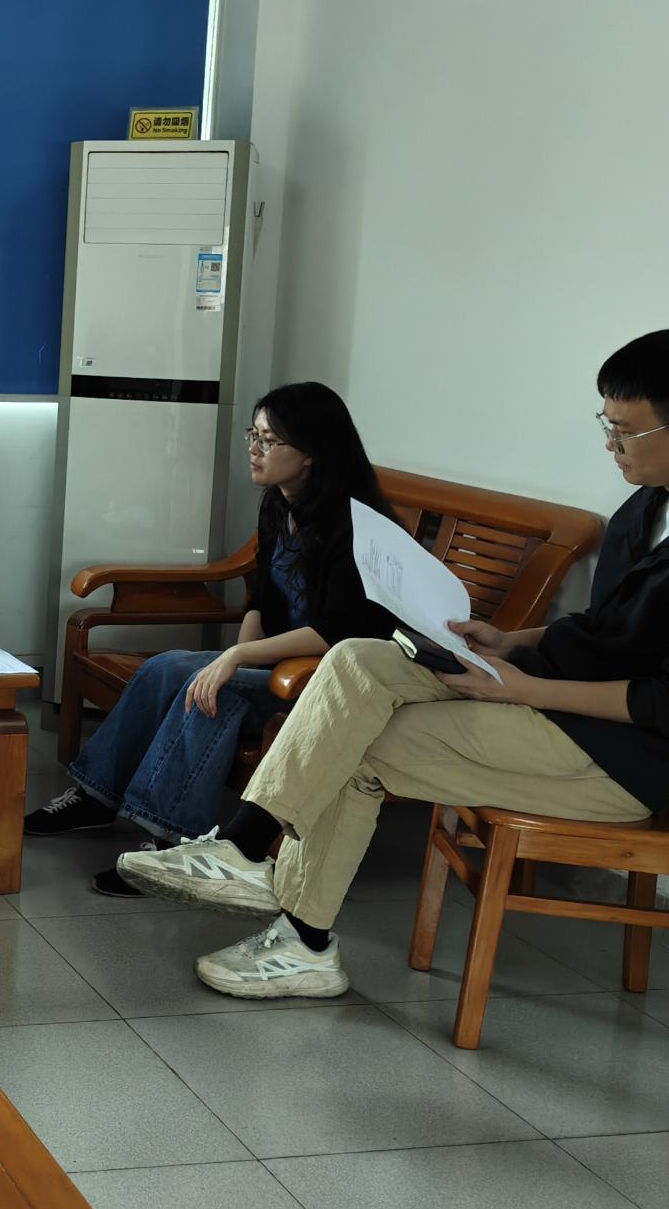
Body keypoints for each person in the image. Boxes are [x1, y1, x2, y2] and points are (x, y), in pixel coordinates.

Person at [121, 330, 669, 999]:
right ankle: (246, 850)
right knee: (360, 659)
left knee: (353, 746)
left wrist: (526, 689)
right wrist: (511, 641)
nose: (609, 444)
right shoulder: (652, 504)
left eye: (624, 431)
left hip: (616, 757)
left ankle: (302, 943)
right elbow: (612, 629)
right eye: (605, 424)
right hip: (552, 699)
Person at [27, 383, 399, 899]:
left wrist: (236, 659)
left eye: (269, 440)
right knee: (164, 667)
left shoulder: (355, 526)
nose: (254, 449)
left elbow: (341, 630)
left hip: (325, 681)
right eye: (254, 434)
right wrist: (235, 658)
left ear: (311, 453)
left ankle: (168, 842)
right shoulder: (279, 504)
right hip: (278, 663)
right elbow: (261, 598)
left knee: (212, 692)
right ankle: (96, 799)